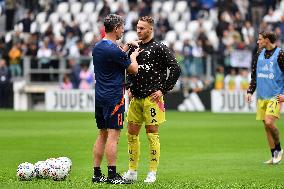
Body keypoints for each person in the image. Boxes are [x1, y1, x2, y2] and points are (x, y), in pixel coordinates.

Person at [123, 16, 181, 183]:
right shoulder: (135, 47)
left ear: (150, 29)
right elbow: (129, 68)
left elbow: (175, 68)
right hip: (136, 98)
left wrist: (163, 89)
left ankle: (152, 172)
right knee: (131, 134)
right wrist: (128, 86)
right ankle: (132, 171)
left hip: (151, 99)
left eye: (142, 28)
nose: (138, 31)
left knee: (152, 135)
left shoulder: (159, 48)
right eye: (137, 27)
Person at [91, 14, 141, 184]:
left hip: (100, 96)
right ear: (116, 27)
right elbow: (133, 69)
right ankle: (112, 176)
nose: (123, 30)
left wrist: (126, 47)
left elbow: (114, 56)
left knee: (102, 134)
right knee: (114, 136)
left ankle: (97, 174)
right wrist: (133, 56)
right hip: (114, 97)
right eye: (122, 27)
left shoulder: (98, 47)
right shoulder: (114, 50)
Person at [246, 31, 284, 165]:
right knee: (266, 127)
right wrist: (250, 91)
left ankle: (279, 149)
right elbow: (254, 75)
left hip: (275, 96)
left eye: (260, 39)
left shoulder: (280, 54)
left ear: (267, 40)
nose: (258, 41)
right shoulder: (258, 54)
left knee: (269, 122)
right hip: (261, 96)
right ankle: (274, 156)